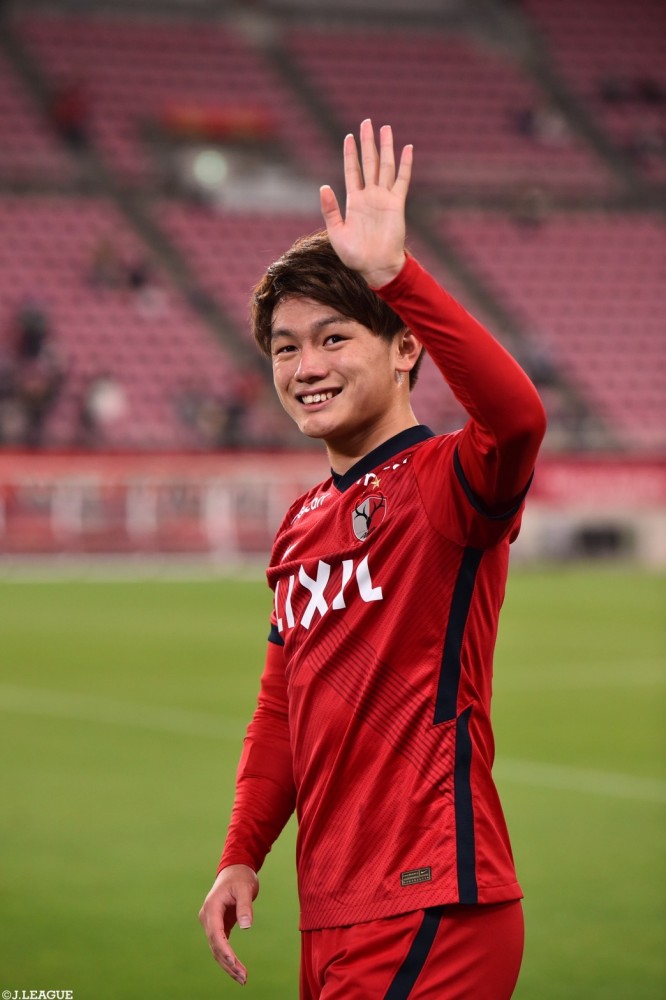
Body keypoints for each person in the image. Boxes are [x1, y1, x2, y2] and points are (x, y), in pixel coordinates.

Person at [199, 119, 547, 998]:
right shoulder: (299, 525)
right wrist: (241, 853)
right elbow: (280, 709)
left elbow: (517, 419)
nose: (304, 366)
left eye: (333, 338)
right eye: (285, 348)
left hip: (434, 900)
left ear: (404, 347)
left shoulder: (447, 482)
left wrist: (396, 278)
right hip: (334, 911)